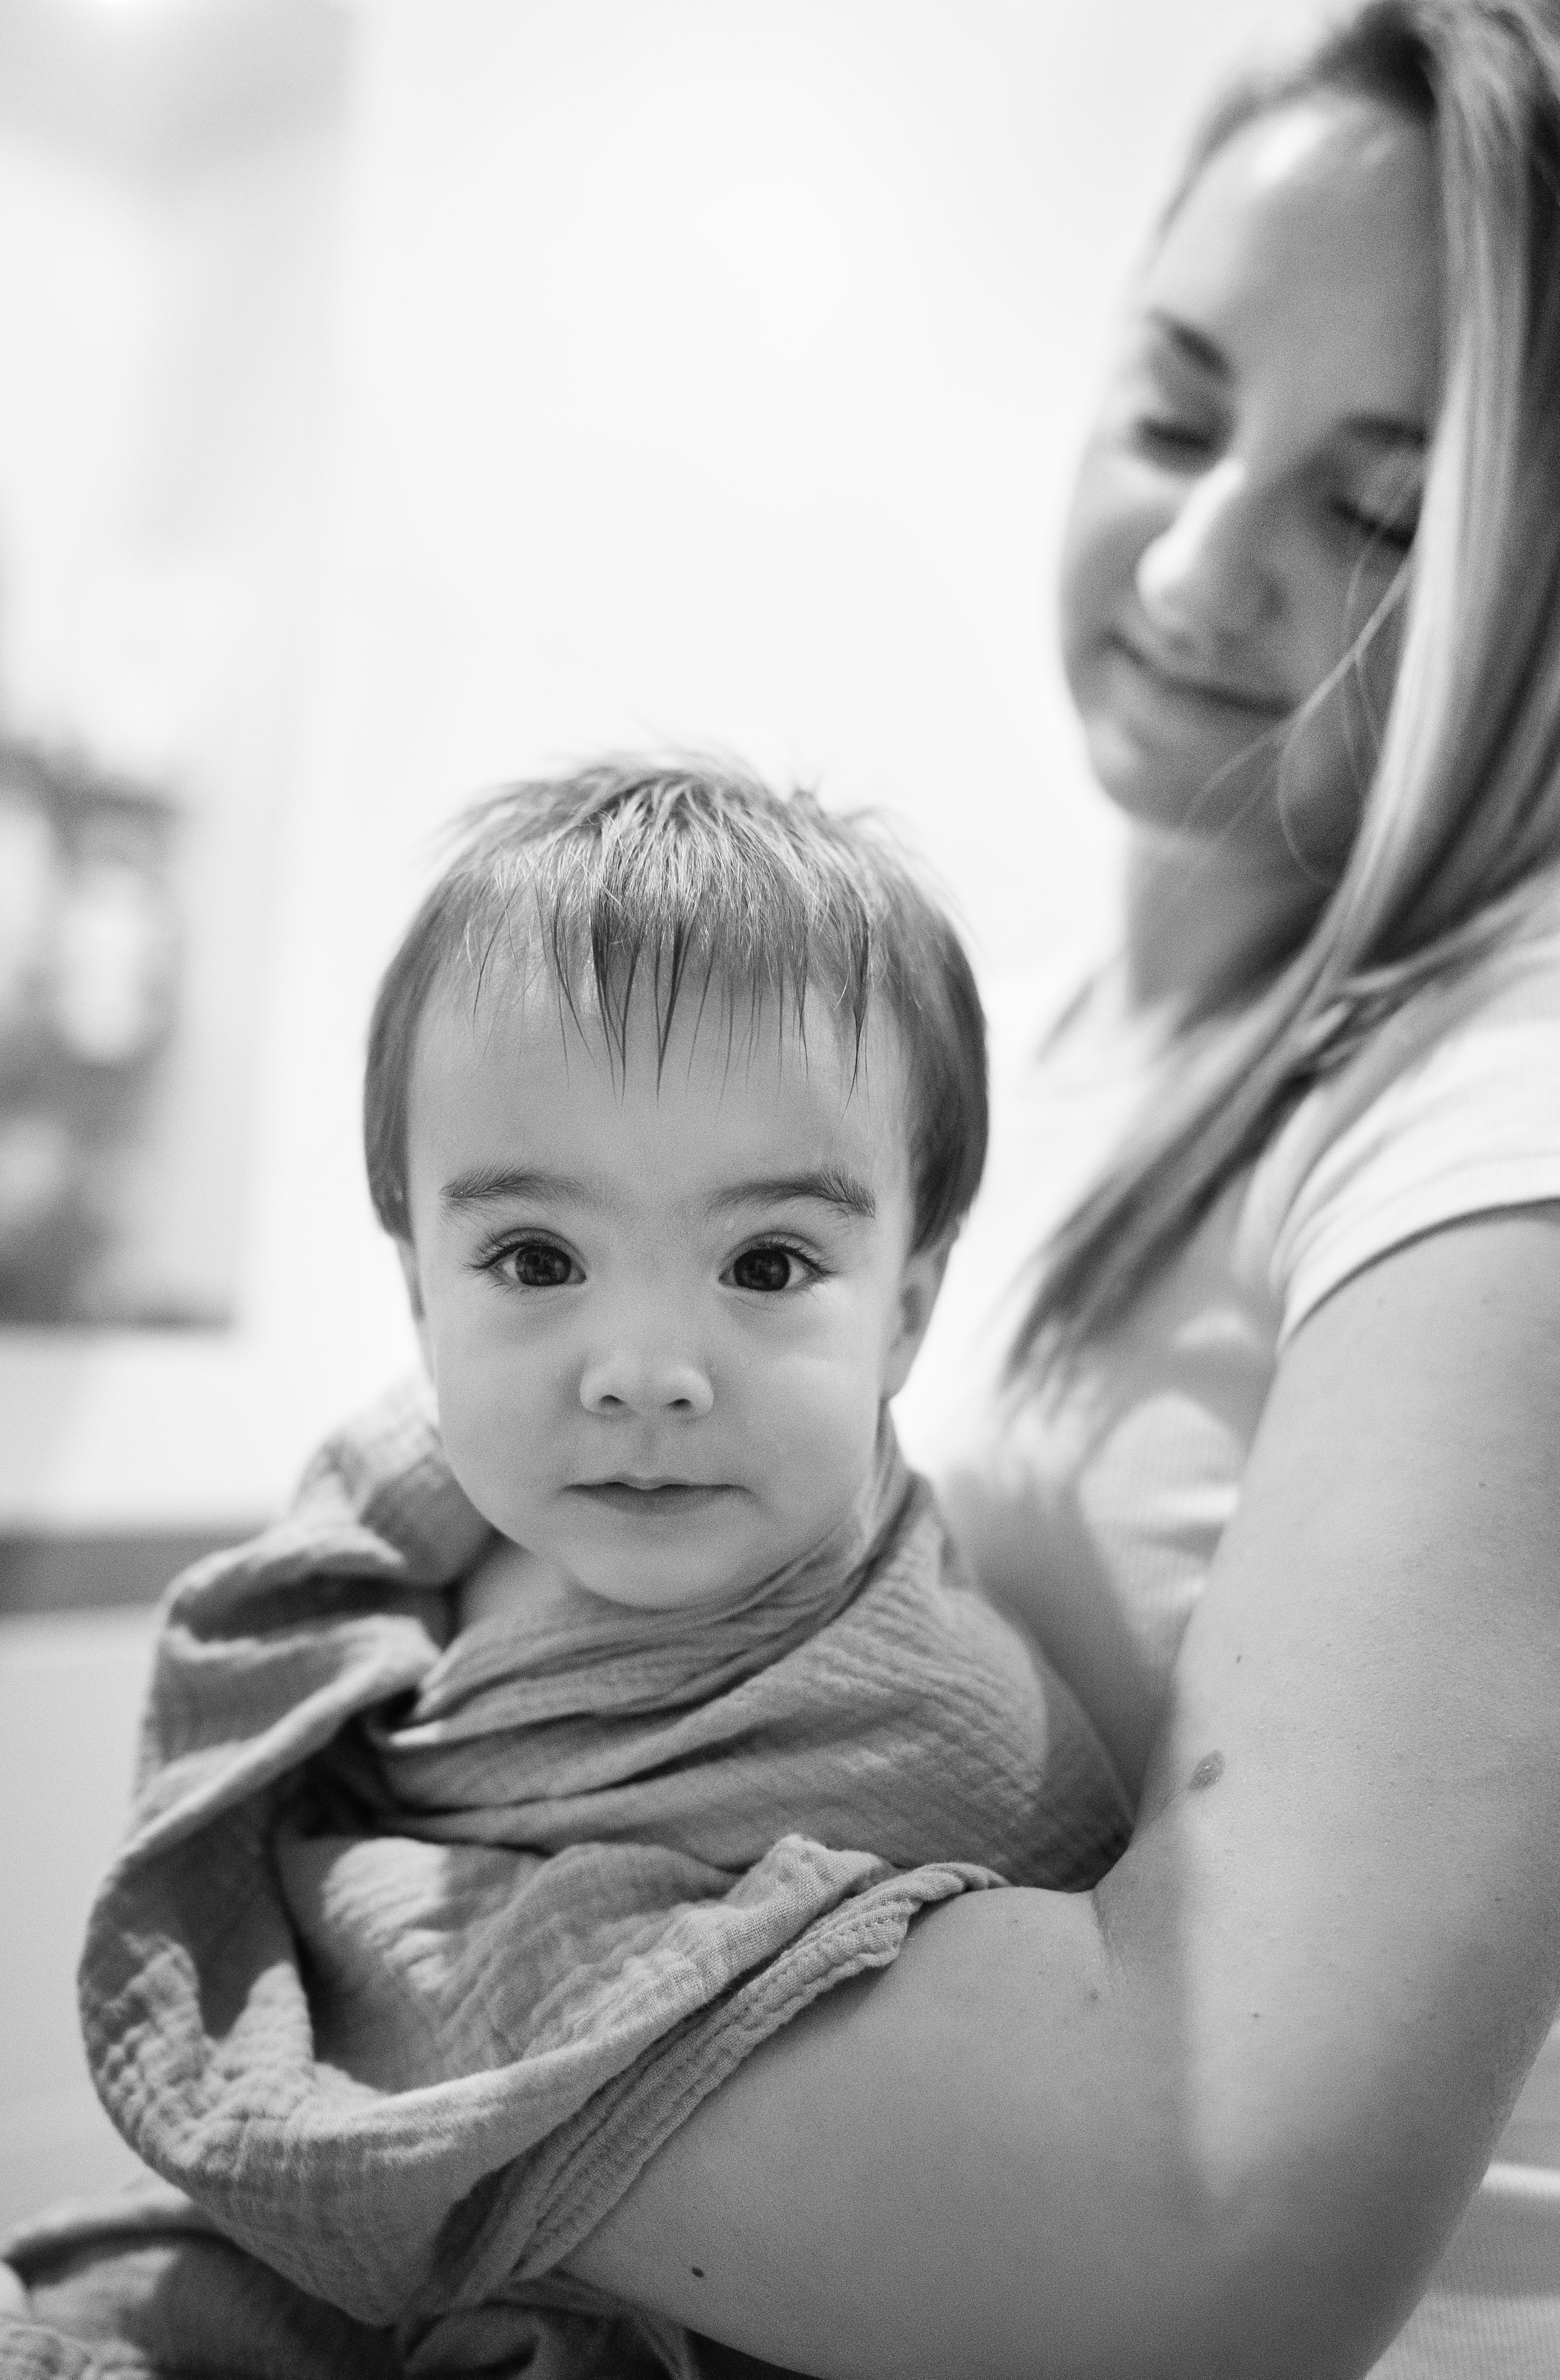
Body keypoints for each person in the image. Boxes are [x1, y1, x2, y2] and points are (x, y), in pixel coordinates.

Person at [552, 4, 1560, 2375]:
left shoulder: (1502, 1101)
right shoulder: (996, 1048)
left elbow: (1206, 2233)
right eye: (1179, 411)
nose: (1203, 569)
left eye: (1382, 507)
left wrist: (369, 1966)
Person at [0, 762, 1128, 2380]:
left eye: (768, 1264)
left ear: (911, 1309)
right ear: (421, 1290)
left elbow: (1036, 2157)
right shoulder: (397, 1543)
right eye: (536, 1259)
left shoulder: (941, 1716)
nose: (644, 1367)